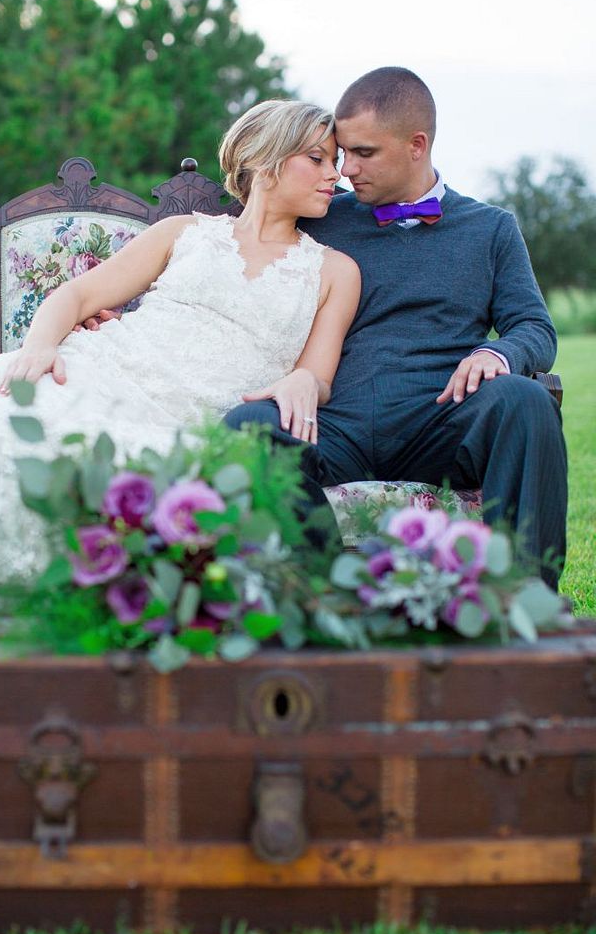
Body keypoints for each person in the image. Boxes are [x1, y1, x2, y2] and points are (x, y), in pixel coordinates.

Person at [0, 99, 361, 748]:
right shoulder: (184, 233)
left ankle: (44, 673)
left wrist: (307, 379)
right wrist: (42, 346)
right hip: (97, 369)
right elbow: (76, 296)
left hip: (185, 415)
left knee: (90, 471)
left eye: (336, 162)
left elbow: (317, 375)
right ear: (265, 162)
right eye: (319, 158)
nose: (336, 174)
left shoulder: (334, 270)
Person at [226, 68, 567, 590]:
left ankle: (524, 601)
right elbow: (244, 252)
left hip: (440, 419)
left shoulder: (491, 228)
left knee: (525, 401)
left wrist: (495, 355)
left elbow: (534, 327)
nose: (345, 170)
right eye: (341, 154)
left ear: (417, 145)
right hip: (332, 423)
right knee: (250, 426)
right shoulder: (321, 215)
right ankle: (320, 598)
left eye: (364, 153)